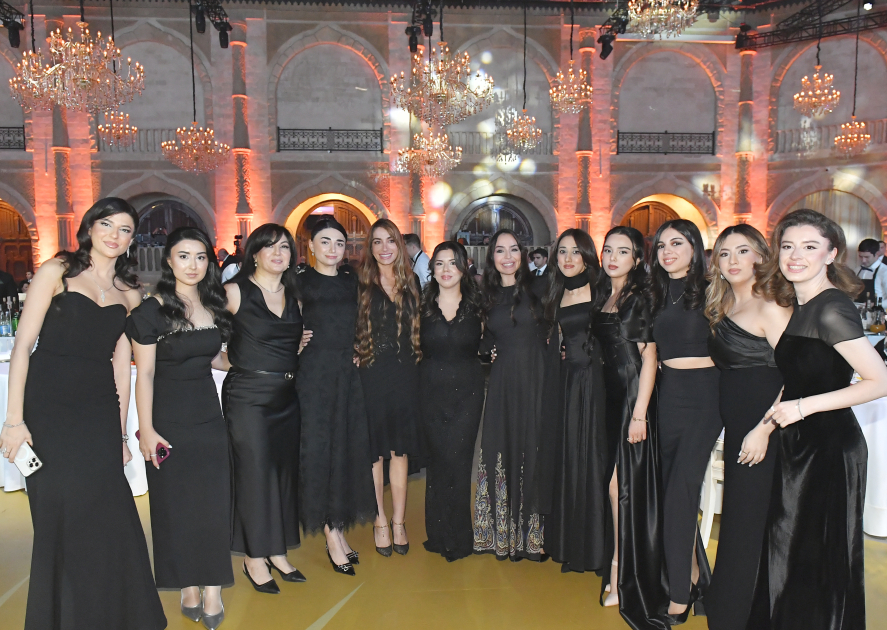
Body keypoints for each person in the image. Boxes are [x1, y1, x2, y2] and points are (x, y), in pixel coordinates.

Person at [0, 198, 166, 630]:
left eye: (125, 229)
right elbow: (23, 346)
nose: (114, 235)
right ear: (90, 227)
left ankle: (116, 616)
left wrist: (121, 436)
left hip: (97, 411)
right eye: (106, 224)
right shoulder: (57, 271)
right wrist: (13, 421)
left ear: (131, 241)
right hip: (48, 408)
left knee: (109, 514)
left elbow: (122, 368)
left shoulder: (130, 292)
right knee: (60, 515)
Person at [746, 209, 887, 629]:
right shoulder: (801, 305)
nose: (795, 256)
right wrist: (765, 427)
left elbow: (879, 381)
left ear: (831, 254)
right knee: (788, 551)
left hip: (829, 448)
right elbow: (796, 381)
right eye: (788, 246)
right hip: (800, 443)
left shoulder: (831, 308)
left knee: (811, 557)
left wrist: (803, 408)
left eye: (809, 247)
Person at [129, 227, 235, 630]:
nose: (193, 265)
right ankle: (187, 583)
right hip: (168, 422)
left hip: (209, 418)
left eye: (201, 257)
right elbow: (145, 375)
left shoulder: (213, 304)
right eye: (184, 256)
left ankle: (213, 588)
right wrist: (146, 430)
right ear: (169, 261)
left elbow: (215, 359)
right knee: (174, 507)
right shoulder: (151, 311)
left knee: (213, 505)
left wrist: (266, 357)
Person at [702, 225, 791, 630]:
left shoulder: (770, 305)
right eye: (724, 253)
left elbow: (798, 373)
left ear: (761, 256)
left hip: (764, 430)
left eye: (742, 251)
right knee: (738, 518)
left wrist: (765, 428)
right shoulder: (724, 306)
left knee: (750, 520)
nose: (732, 260)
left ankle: (745, 615)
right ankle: (729, 606)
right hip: (740, 427)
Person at [223, 224, 307, 594]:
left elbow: (292, 344)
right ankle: (254, 556)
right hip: (248, 398)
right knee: (254, 476)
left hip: (287, 397)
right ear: (254, 253)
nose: (278, 253)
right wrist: (241, 363)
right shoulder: (234, 292)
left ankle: (277, 550)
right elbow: (206, 340)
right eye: (269, 247)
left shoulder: (294, 295)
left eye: (284, 248)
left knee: (282, 475)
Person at [593, 226, 668, 625]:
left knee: (620, 488)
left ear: (638, 259)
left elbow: (649, 357)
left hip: (633, 398)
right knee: (616, 486)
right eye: (608, 250)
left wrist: (639, 414)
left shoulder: (637, 298)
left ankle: (623, 573)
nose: (612, 257)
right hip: (612, 397)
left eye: (623, 251)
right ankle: (620, 565)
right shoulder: (607, 294)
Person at [647, 219, 719, 622]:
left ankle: (680, 594)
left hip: (705, 398)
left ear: (695, 247)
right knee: (669, 493)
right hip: (667, 395)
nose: (667, 251)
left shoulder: (713, 290)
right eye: (661, 246)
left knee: (680, 494)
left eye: (677, 243)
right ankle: (692, 574)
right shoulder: (656, 292)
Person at [295, 217, 376, 576]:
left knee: (345, 449)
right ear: (311, 246)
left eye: (339, 243)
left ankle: (338, 526)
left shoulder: (351, 281)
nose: (332, 249)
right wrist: (293, 342)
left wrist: (358, 348)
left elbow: (362, 322)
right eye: (325, 242)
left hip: (346, 374)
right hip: (313, 376)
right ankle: (330, 534)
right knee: (320, 450)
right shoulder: (299, 282)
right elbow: (283, 321)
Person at [473, 229, 552, 561]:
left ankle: (533, 538)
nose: (508, 257)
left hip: (536, 380)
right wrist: (486, 350)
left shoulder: (541, 289)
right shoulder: (486, 296)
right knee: (499, 449)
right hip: (503, 384)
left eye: (514, 249)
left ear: (523, 254)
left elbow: (554, 329)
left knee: (532, 448)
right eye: (500, 250)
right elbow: (482, 340)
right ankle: (499, 536)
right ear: (491, 257)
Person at [542, 229, 608, 574]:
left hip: (596, 383)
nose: (568, 258)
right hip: (566, 382)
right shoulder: (556, 291)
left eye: (575, 251)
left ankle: (594, 548)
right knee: (568, 458)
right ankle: (567, 542)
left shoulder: (602, 289)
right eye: (562, 251)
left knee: (592, 460)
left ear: (587, 256)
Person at [357, 219, 423, 557]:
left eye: (391, 241)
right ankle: (379, 520)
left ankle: (399, 521)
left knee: (400, 451)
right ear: (370, 248)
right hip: (371, 376)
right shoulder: (360, 285)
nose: (385, 248)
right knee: (375, 453)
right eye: (378, 241)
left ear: (400, 245)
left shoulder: (412, 283)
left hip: (406, 377)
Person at [419, 242, 484, 562]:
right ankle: (438, 533)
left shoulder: (478, 305)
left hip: (468, 393)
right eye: (440, 263)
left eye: (452, 263)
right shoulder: (421, 306)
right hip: (429, 392)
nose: (446, 269)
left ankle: (459, 536)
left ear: (463, 267)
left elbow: (494, 339)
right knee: (438, 461)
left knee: (458, 461)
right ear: (432, 269)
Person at [855, 237, 887, 302]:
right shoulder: (857, 270)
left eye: (867, 257)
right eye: (861, 256)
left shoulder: (884, 271)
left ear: (877, 254)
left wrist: (876, 304)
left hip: (876, 308)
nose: (863, 260)